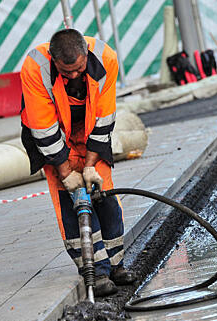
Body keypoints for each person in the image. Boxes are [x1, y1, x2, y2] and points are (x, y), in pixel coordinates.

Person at [20, 29, 135, 297]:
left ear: (86, 55)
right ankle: (96, 271)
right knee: (71, 202)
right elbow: (43, 128)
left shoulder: (106, 57)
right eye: (66, 71)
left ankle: (116, 264)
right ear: (53, 59)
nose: (73, 76)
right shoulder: (35, 66)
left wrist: (90, 166)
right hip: (54, 138)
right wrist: (65, 171)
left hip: (89, 133)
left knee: (104, 194)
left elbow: (105, 118)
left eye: (79, 69)